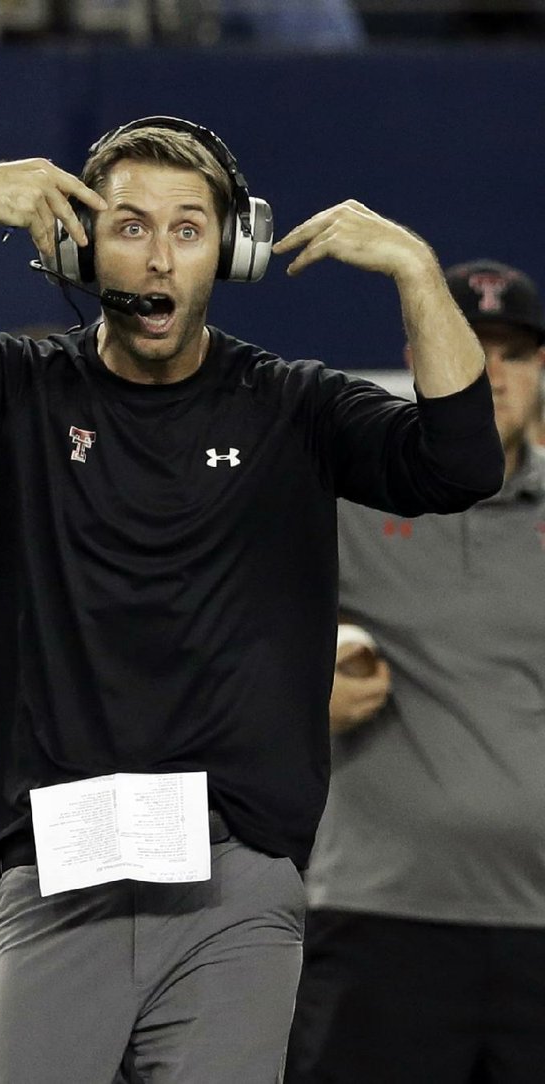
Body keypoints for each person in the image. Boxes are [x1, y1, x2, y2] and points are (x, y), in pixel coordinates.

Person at [0, 116, 503, 1084]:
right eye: (129, 225)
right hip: (57, 865)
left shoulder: (289, 404)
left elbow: (456, 464)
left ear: (231, 249)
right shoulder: (16, 392)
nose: (156, 255)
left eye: (188, 228)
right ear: (76, 242)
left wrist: (414, 274)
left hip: (236, 872)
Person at [285, 260, 545, 1084]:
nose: (492, 373)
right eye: (470, 346)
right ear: (424, 354)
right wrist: (301, 693)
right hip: (379, 918)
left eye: (515, 352)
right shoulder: (355, 498)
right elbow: (223, 638)